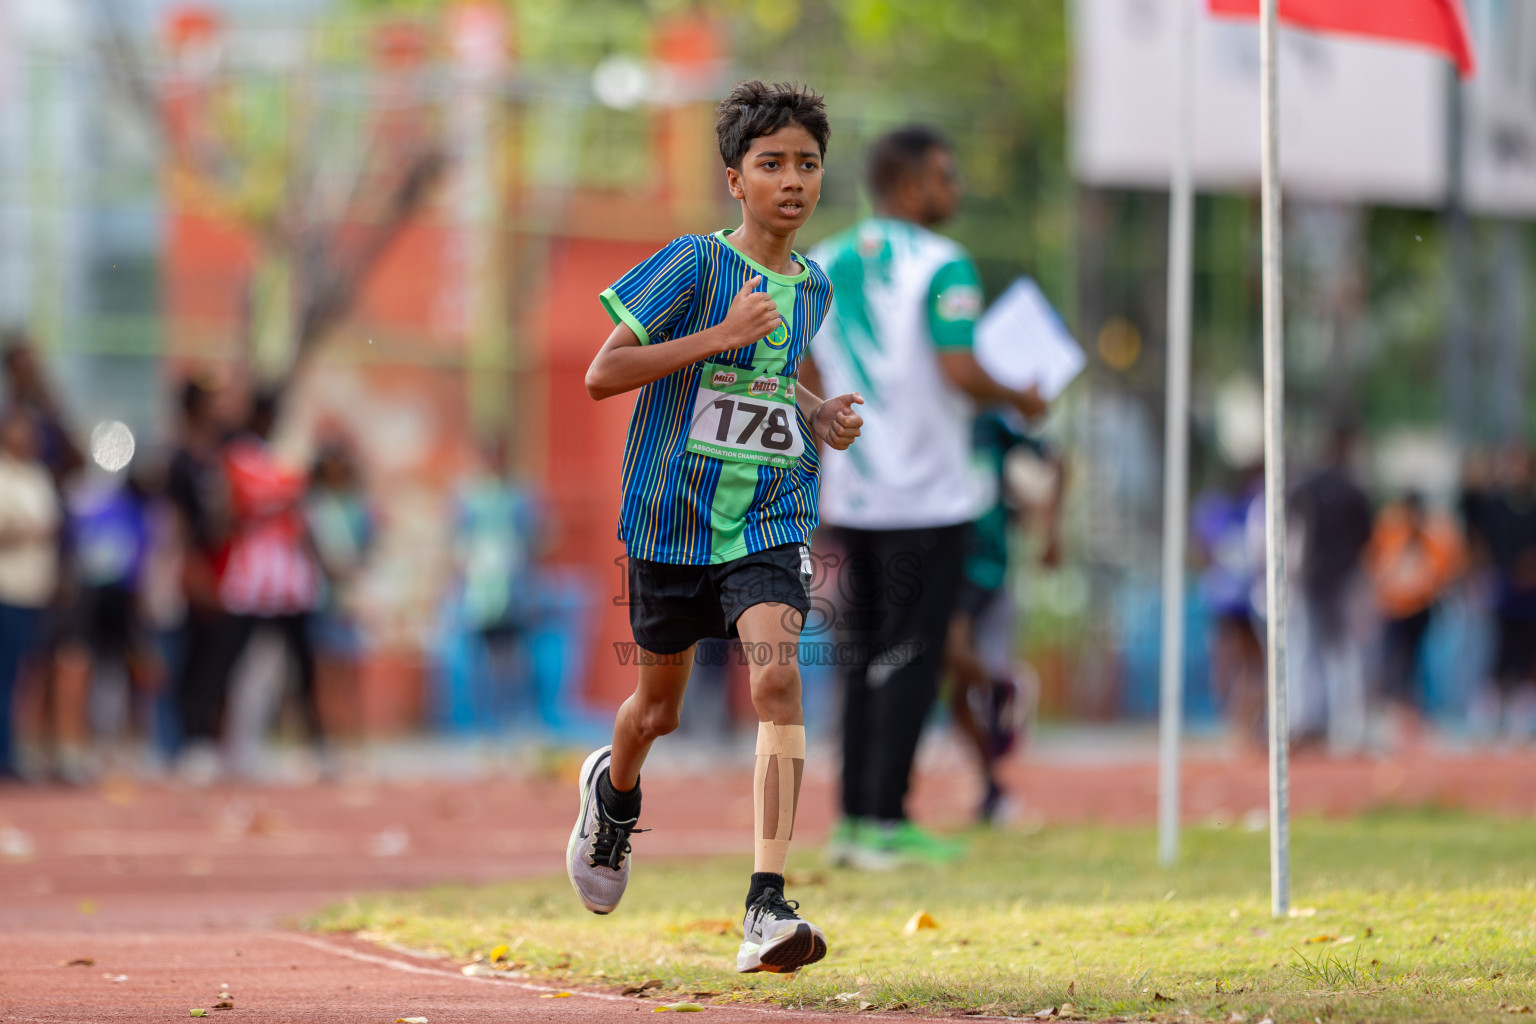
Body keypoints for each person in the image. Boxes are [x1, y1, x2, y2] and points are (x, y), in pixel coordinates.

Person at [569, 80, 862, 976]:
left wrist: (814, 413)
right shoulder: (695, 265)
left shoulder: (812, 284)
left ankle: (767, 905)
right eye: (771, 164)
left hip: (768, 516)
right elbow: (601, 373)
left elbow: (771, 376)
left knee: (779, 685)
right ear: (734, 178)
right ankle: (611, 797)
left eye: (806, 164)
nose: (792, 180)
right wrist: (718, 333)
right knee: (657, 709)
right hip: (671, 519)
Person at [802, 126, 1045, 867]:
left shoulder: (822, 261)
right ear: (909, 186)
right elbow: (958, 365)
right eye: (946, 176)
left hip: (850, 494)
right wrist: (1020, 395)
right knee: (910, 657)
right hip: (930, 498)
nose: (956, 190)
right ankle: (885, 821)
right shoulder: (945, 265)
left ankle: (852, 822)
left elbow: (806, 366)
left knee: (860, 657)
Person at [944, 409, 1061, 824]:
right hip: (934, 559)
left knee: (951, 650)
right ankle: (991, 787)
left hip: (983, 564)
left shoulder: (989, 422)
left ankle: (1003, 686)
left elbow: (1054, 458)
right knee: (957, 691)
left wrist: (1051, 533)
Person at [1287, 426, 1374, 754]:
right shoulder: (1354, 490)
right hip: (1342, 576)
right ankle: (1346, 727)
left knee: (1307, 650)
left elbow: (1293, 533)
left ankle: (1305, 721)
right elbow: (1366, 537)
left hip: (1313, 575)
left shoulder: (1305, 487)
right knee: (1344, 652)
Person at [1366, 490, 1465, 747]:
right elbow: (1376, 566)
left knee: (1420, 663)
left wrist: (1428, 589)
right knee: (1393, 662)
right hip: (1395, 610)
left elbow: (1443, 570)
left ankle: (1419, 715)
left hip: (1420, 609)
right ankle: (1396, 714)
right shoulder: (1391, 535)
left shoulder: (1430, 539)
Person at [0, 407, 62, 781]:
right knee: (4, 676)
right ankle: (4, 754)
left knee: (24, 677)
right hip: (5, 589)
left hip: (33, 590)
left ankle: (16, 749)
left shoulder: (38, 475)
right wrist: (28, 530)